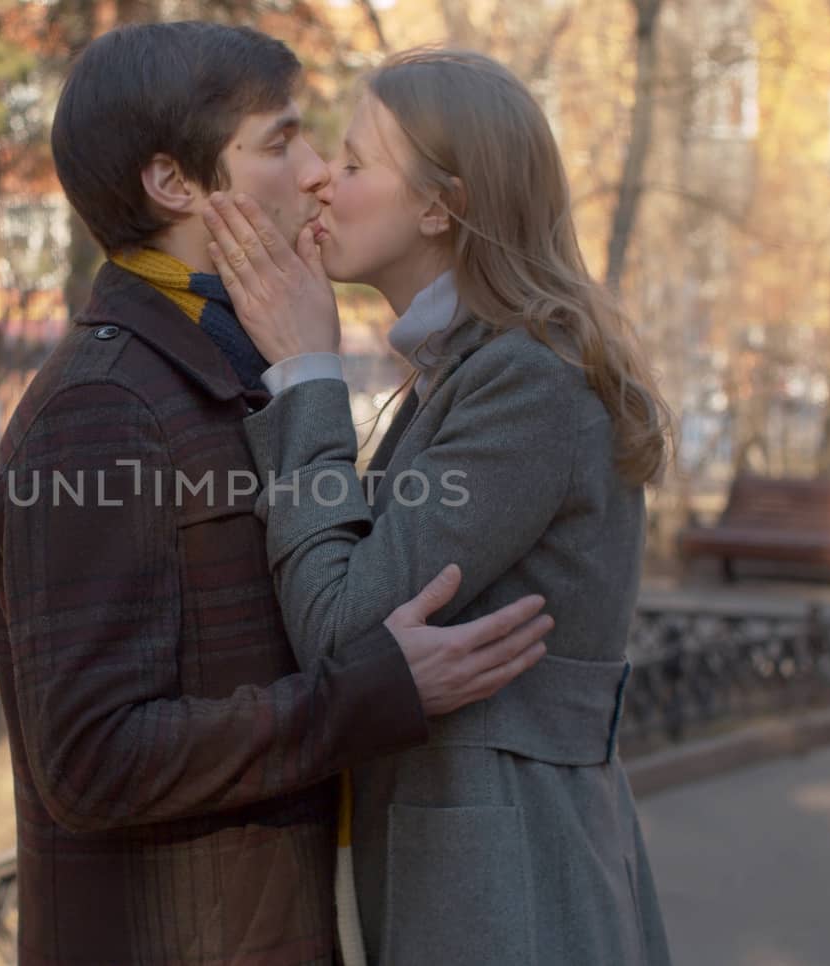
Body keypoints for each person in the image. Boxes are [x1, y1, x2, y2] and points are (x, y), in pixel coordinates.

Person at [0, 26, 553, 965]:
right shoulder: (103, 408)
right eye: (281, 143)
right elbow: (88, 759)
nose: (320, 171)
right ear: (177, 185)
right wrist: (370, 693)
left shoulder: (227, 369)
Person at [204, 48, 675, 965]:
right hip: (476, 859)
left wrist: (306, 371)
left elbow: (343, 631)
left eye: (353, 163)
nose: (320, 185)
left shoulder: (527, 381)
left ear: (439, 205)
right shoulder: (469, 369)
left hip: (514, 881)